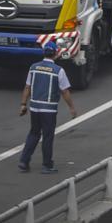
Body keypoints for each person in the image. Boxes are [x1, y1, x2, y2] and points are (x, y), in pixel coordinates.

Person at [18, 41, 79, 174]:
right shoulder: (58, 71)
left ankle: (24, 161)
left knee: (33, 133)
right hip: (49, 110)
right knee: (47, 136)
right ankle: (47, 165)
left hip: (34, 107)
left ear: (44, 53)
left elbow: (27, 87)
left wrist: (23, 104)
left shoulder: (33, 67)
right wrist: (72, 108)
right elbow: (65, 91)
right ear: (56, 53)